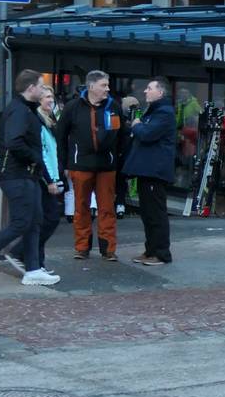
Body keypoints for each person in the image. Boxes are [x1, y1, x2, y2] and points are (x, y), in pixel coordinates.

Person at [0, 70, 60, 285]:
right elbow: (14, 142)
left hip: (26, 176)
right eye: (40, 86)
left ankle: (33, 270)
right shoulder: (20, 111)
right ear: (31, 88)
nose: (43, 89)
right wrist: (34, 158)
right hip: (17, 175)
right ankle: (32, 269)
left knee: (34, 222)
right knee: (22, 222)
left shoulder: (24, 110)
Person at [55, 70, 127, 260]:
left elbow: (123, 136)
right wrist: (65, 163)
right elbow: (60, 136)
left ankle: (108, 249)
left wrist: (116, 158)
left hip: (106, 167)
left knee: (107, 208)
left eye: (108, 85)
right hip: (80, 166)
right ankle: (82, 248)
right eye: (104, 85)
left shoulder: (113, 107)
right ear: (92, 86)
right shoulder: (73, 107)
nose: (108, 89)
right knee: (81, 208)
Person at [8, 84, 63, 273]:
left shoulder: (49, 121)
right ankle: (23, 253)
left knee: (44, 220)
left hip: (50, 175)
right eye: (46, 97)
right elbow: (41, 154)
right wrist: (49, 180)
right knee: (48, 219)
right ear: (38, 100)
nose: (50, 100)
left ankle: (36, 262)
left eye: (52, 97)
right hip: (42, 177)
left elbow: (53, 151)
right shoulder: (37, 122)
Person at [123, 77, 177, 265]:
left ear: (160, 92)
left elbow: (147, 134)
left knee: (156, 213)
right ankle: (150, 250)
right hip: (147, 170)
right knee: (147, 213)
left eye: (149, 88)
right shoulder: (154, 111)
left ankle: (161, 253)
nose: (145, 91)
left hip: (155, 171)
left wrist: (137, 124)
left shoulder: (164, 112)